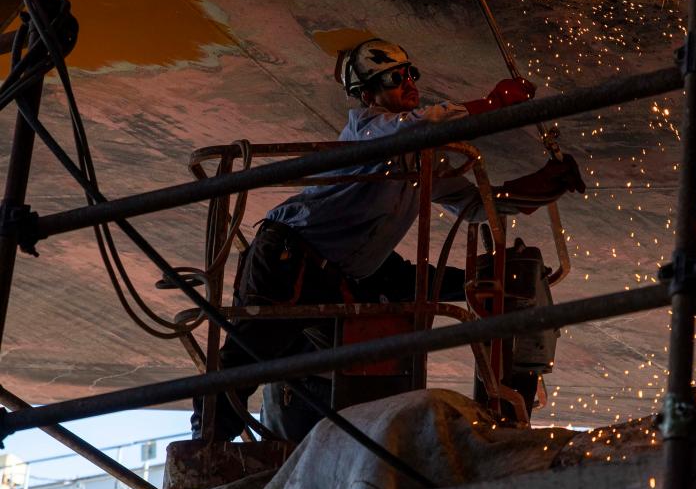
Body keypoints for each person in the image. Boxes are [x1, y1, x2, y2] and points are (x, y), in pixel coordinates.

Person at [196, 38, 584, 441]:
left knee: (458, 286)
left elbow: (472, 206)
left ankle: (495, 405)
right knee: (249, 358)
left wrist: (540, 187)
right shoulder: (370, 128)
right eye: (395, 79)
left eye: (409, 74)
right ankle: (205, 444)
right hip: (290, 257)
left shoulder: (422, 157)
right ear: (368, 94)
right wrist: (493, 103)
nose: (408, 84)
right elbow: (418, 124)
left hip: (351, 270)